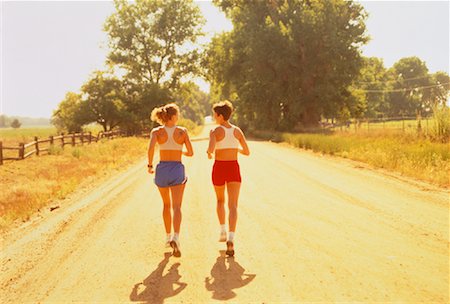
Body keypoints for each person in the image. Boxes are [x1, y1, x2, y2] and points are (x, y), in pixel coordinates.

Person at [147, 103, 193, 257]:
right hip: (177, 168)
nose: (178, 117)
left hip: (162, 169)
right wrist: (180, 151)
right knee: (177, 207)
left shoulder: (156, 132)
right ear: (173, 116)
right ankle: (176, 237)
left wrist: (149, 165)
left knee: (166, 205)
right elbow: (191, 152)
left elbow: (151, 149)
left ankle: (168, 237)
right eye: (178, 114)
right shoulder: (182, 132)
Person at [207, 100, 250, 256]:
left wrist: (209, 152)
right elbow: (247, 151)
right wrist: (234, 148)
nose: (214, 117)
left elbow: (210, 150)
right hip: (233, 168)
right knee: (233, 205)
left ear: (219, 116)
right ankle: (231, 238)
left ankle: (223, 230)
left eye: (214, 114)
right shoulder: (237, 131)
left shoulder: (215, 131)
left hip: (219, 167)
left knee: (220, 201)